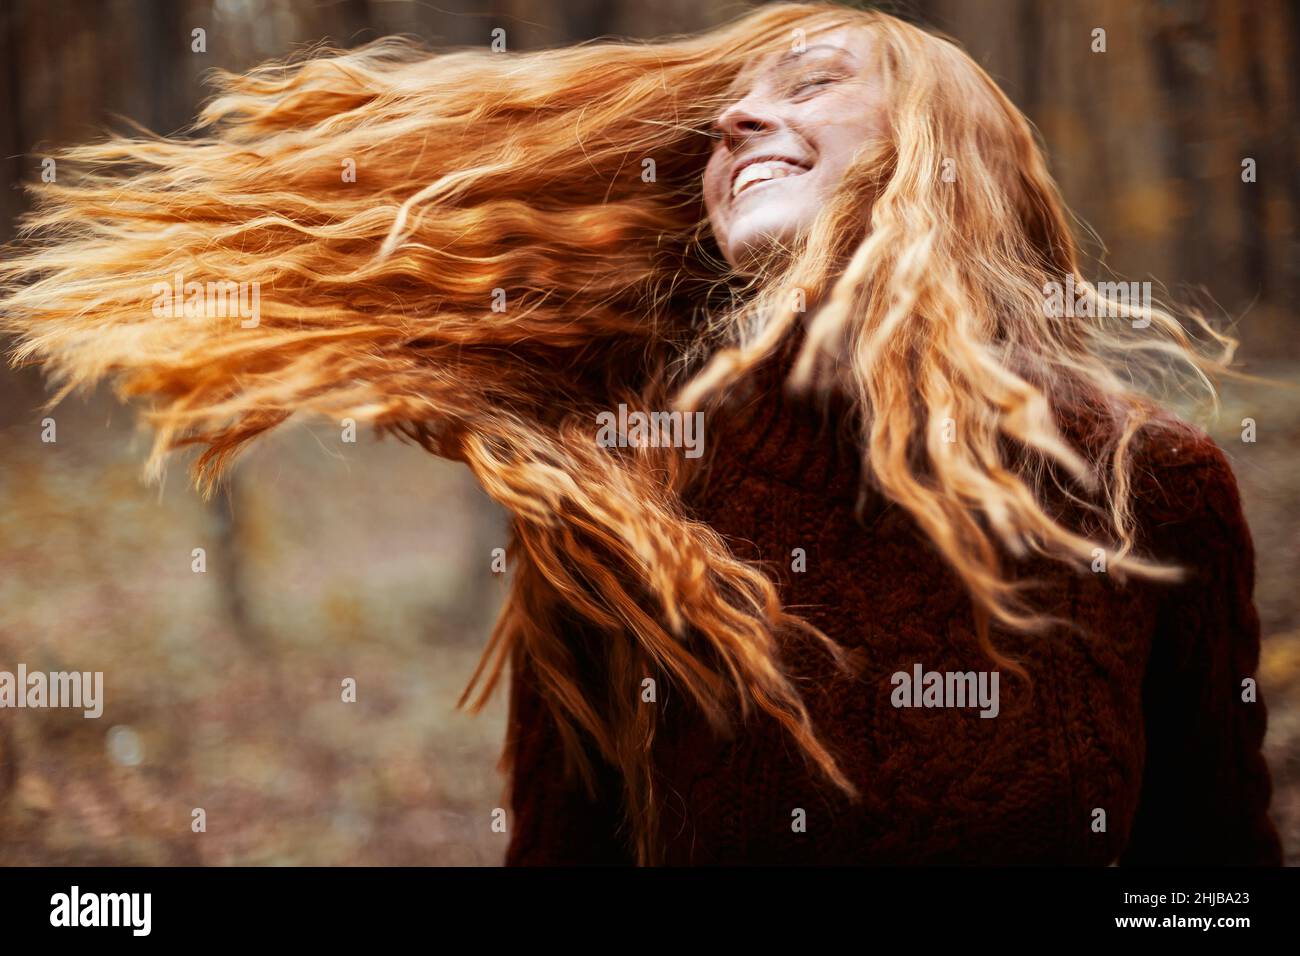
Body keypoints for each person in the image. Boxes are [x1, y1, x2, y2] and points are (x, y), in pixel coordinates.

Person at [0, 2, 1281, 865]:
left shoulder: (1148, 489)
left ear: (948, 155)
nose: (734, 120)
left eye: (813, 82)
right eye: (728, 108)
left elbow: (1213, 872)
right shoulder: (625, 503)